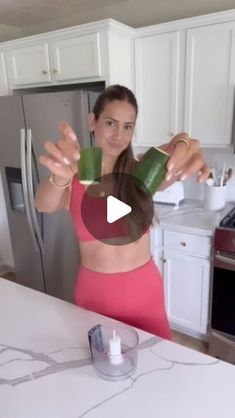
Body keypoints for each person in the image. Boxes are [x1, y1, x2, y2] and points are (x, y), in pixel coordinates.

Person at [35, 85, 209, 340]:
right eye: (111, 123)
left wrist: (183, 142)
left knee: (157, 370)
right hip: (95, 297)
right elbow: (43, 204)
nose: (119, 134)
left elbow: (177, 154)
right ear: (93, 121)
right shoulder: (75, 174)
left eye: (128, 126)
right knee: (100, 371)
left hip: (144, 295)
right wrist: (60, 176)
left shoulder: (142, 172)